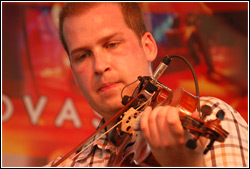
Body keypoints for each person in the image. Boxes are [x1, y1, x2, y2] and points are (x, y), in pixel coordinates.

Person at [46, 2, 248, 167]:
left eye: (112, 44)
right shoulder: (67, 164)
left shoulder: (209, 116)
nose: (99, 66)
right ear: (73, 71)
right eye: (83, 56)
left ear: (149, 47)